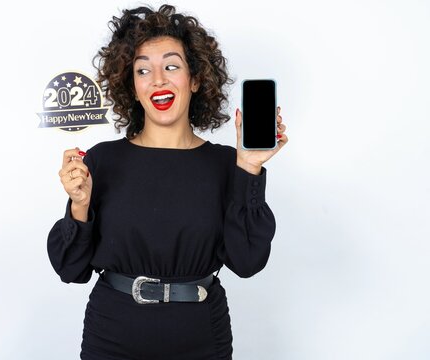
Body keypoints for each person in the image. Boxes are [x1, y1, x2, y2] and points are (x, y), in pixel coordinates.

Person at [47, 4, 288, 359]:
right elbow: (71, 269)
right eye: (143, 70)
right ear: (132, 84)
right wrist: (79, 205)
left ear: (195, 79)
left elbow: (248, 261)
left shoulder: (227, 164)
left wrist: (249, 166)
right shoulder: (102, 159)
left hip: (202, 339)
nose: (157, 79)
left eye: (171, 66)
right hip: (112, 337)